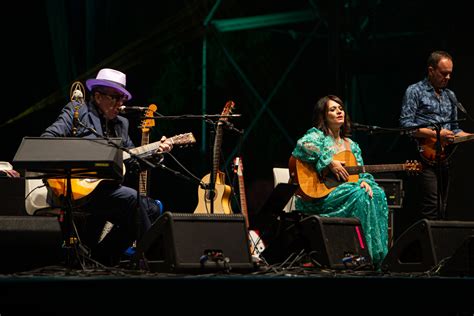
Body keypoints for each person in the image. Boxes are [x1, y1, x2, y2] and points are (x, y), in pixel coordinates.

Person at [41, 68, 173, 266]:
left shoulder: (122, 124)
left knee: (152, 208)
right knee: (132, 200)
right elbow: (47, 140)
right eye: (115, 98)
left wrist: (156, 153)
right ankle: (156, 261)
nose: (120, 105)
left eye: (122, 99)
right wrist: (85, 154)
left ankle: (101, 257)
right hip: (75, 188)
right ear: (98, 96)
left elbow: (134, 162)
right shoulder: (77, 112)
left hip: (106, 190)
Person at [291, 95, 389, 267]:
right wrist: (329, 162)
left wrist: (366, 182)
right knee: (359, 194)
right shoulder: (317, 136)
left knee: (377, 193)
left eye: (340, 108)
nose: (338, 112)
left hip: (347, 191)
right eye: (332, 109)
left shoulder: (352, 145)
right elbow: (302, 146)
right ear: (324, 115)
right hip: (321, 197)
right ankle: (361, 256)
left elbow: (361, 172)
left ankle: (376, 257)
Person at [399, 51, 473, 220]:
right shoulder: (415, 91)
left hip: (445, 157)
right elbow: (405, 126)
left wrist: (468, 136)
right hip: (423, 156)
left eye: (450, 74)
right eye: (443, 73)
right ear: (431, 70)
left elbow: (455, 129)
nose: (447, 77)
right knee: (431, 205)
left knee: (443, 206)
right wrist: (437, 134)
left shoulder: (450, 96)